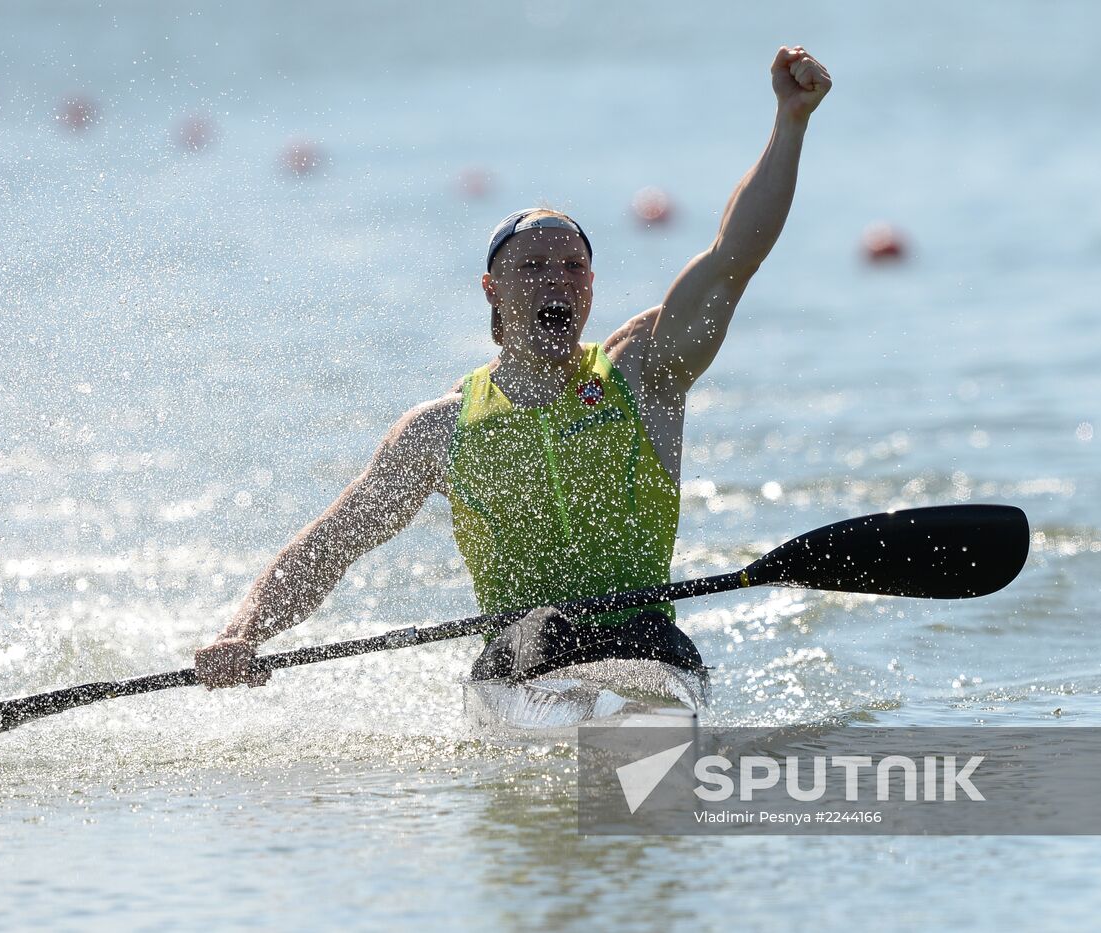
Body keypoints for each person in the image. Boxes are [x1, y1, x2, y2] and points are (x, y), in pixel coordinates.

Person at [195, 46, 832, 689]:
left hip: (646, 647)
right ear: (492, 290)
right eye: (532, 268)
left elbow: (732, 258)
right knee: (542, 633)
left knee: (644, 659)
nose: (556, 281)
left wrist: (791, 122)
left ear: (590, 283)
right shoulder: (440, 431)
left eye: (572, 267)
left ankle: (641, 758)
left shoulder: (645, 372)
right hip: (524, 658)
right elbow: (330, 547)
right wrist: (243, 633)